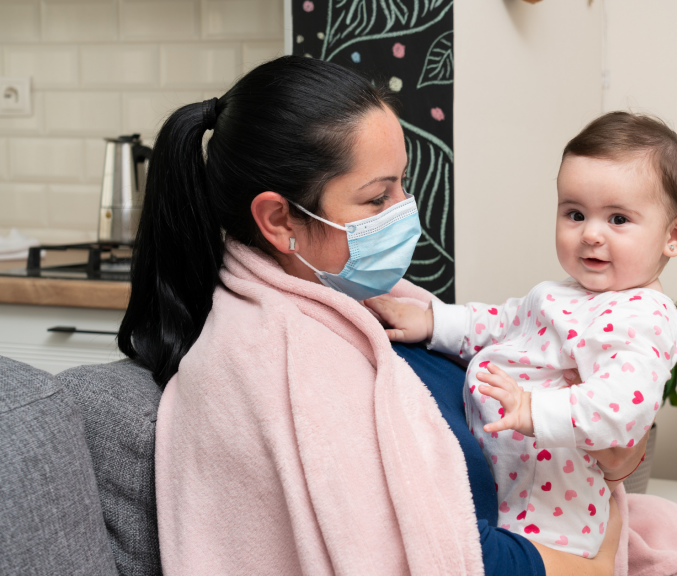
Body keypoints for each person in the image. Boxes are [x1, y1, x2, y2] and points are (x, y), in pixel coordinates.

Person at [116, 55, 642, 576]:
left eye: (402, 184)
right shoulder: (280, 364)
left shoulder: (361, 294)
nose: (404, 208)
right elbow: (435, 551)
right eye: (376, 197)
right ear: (279, 220)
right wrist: (588, 568)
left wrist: (615, 451)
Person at [366, 112, 677, 558]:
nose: (591, 234)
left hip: (555, 511)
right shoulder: (563, 294)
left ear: (674, 235)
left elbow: (622, 410)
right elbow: (499, 323)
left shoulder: (643, 316)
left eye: (618, 219)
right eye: (575, 214)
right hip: (509, 488)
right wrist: (434, 322)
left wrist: (533, 408)